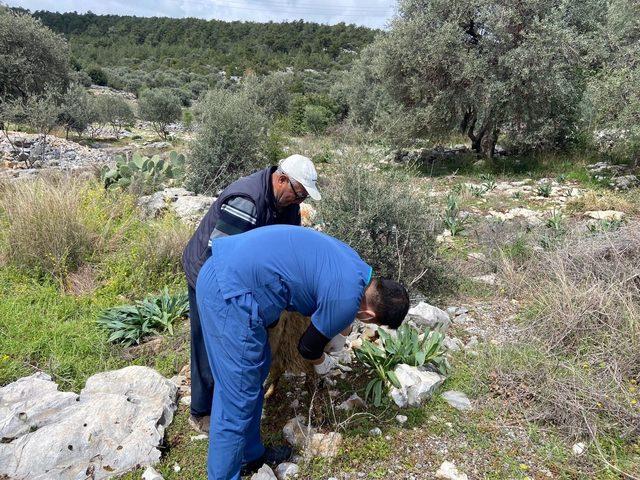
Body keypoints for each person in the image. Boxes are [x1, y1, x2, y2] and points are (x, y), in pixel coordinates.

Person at [196, 225, 410, 479]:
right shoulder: (346, 299)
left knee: (253, 377)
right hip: (230, 291)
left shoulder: (357, 268)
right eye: (371, 323)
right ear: (370, 315)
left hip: (231, 270)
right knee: (237, 396)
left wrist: (340, 330)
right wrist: (323, 364)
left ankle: (250, 454)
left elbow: (339, 300)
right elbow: (307, 348)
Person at [182, 155, 321, 433]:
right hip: (207, 273)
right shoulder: (247, 200)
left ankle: (234, 399)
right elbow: (218, 257)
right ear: (281, 180)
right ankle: (201, 411)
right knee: (208, 342)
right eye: (298, 194)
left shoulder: (288, 204)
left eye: (304, 197)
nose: (299, 202)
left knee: (239, 340)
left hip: (242, 275)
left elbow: (286, 246)